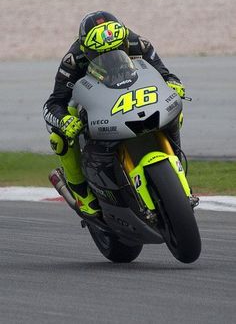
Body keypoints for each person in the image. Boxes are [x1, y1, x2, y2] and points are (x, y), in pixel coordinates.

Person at [43, 11, 186, 217]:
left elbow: (163, 73)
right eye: (101, 54)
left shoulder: (138, 43)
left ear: (124, 41)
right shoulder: (73, 60)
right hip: (93, 101)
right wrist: (65, 120)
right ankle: (81, 194)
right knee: (60, 137)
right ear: (87, 49)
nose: (110, 56)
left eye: (117, 49)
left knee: (175, 109)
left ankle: (175, 157)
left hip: (132, 90)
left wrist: (174, 83)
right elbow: (54, 103)